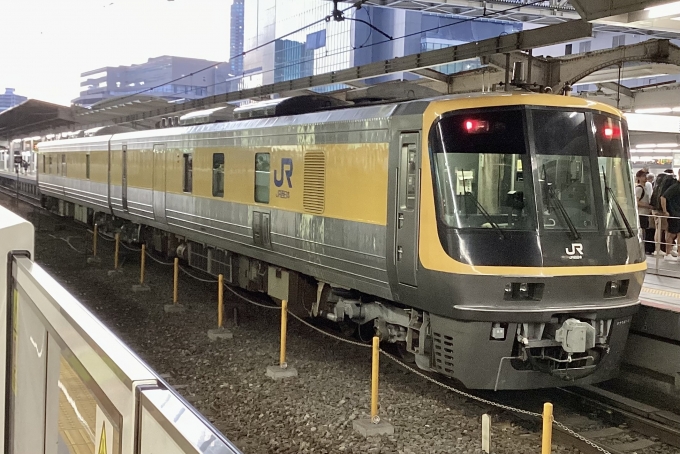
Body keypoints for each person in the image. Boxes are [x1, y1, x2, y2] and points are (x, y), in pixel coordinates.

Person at [651, 170, 676, 255]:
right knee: (663, 230)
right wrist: (665, 211)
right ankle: (659, 250)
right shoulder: (668, 183)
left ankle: (659, 249)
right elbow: (663, 198)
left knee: (659, 229)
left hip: (655, 209)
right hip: (662, 211)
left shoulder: (656, 186)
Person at [660, 169, 680, 261]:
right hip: (674, 214)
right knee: (671, 234)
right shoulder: (675, 187)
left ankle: (679, 254)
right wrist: (665, 211)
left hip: (678, 214)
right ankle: (668, 253)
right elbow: (663, 197)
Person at [636, 170, 654, 254]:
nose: (645, 178)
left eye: (646, 176)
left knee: (645, 231)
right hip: (641, 213)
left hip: (645, 213)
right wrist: (648, 206)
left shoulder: (645, 188)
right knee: (642, 231)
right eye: (643, 176)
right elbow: (636, 202)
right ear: (638, 178)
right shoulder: (639, 188)